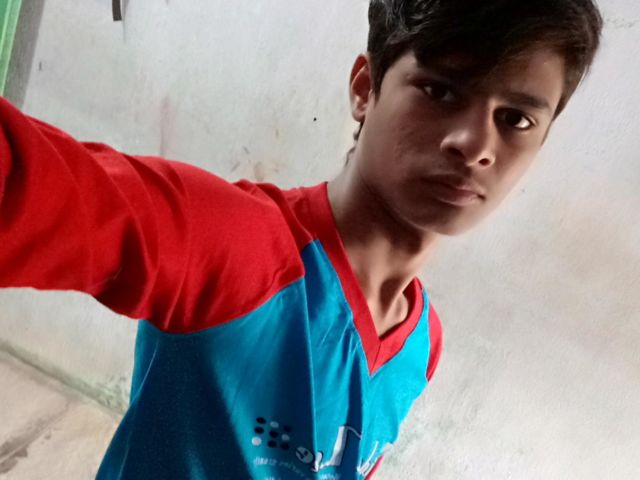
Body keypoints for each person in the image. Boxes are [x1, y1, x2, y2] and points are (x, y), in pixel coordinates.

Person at [0, 1, 602, 478]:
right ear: (365, 87)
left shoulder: (420, 346)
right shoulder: (238, 245)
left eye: (516, 119)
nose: (474, 144)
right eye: (441, 90)